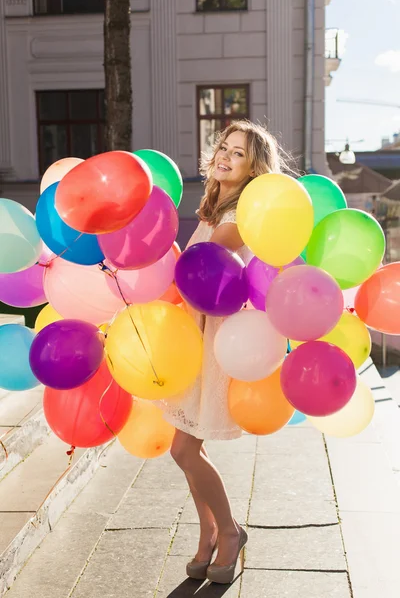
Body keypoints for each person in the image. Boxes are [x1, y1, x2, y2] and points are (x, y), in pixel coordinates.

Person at [159, 120, 290, 584]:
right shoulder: (215, 209)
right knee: (186, 445)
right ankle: (209, 532)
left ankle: (229, 531)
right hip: (192, 333)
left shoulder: (239, 219)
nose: (224, 156)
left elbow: (202, 270)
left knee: (184, 449)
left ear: (254, 169)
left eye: (238, 153)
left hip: (214, 337)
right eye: (223, 147)